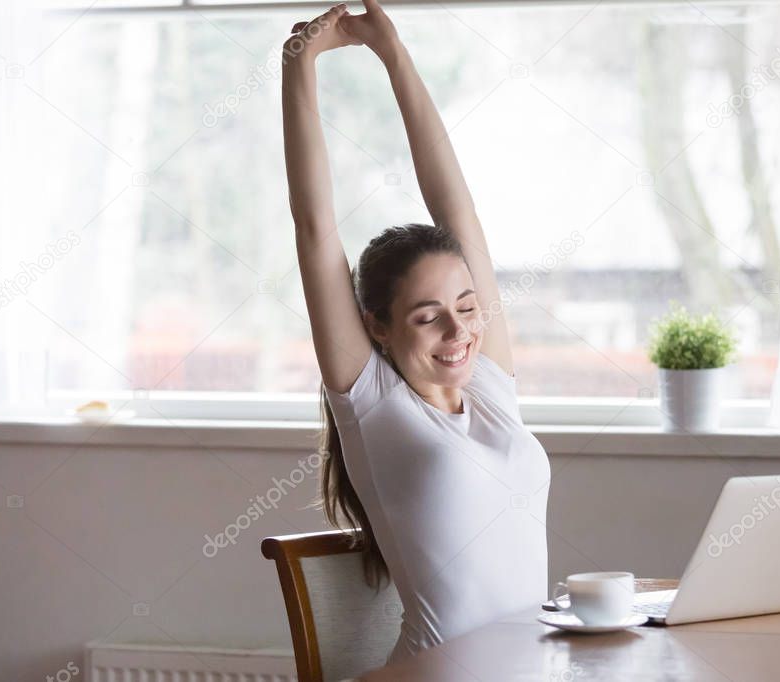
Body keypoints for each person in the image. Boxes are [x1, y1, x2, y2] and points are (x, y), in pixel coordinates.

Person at [280, 0, 551, 663]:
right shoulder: (373, 405)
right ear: (374, 326)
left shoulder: (488, 386)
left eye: (466, 304)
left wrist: (393, 53)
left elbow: (456, 208)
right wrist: (296, 69)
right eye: (426, 316)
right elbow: (316, 231)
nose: (457, 329)